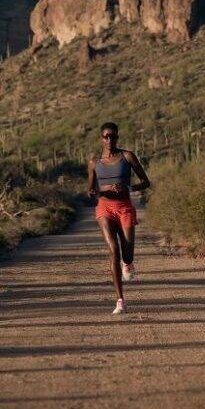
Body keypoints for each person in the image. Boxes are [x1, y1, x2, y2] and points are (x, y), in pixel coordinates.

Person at [86, 122, 150, 315]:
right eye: (106, 136)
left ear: (117, 137)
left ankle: (127, 263)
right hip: (104, 208)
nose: (109, 140)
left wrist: (128, 188)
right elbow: (90, 192)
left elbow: (145, 182)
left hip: (125, 208)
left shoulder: (127, 156)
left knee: (127, 252)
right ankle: (120, 300)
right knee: (113, 250)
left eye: (112, 136)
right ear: (101, 138)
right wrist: (105, 190)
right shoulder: (94, 163)